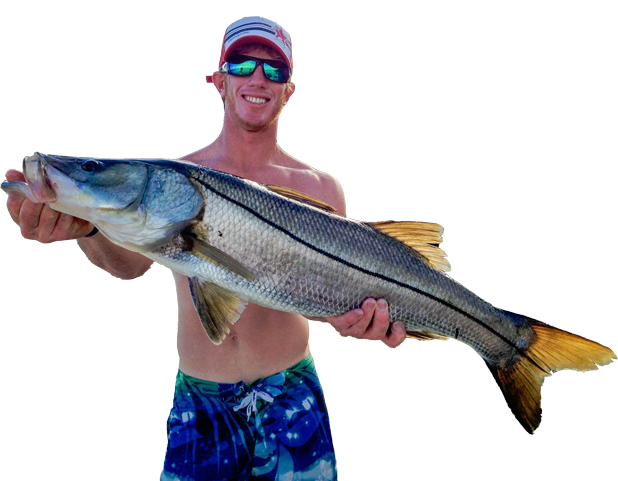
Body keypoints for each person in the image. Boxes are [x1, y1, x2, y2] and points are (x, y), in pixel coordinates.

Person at [5, 16, 407, 480]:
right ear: (219, 80)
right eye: (242, 64)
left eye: (274, 70)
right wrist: (87, 230)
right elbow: (128, 267)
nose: (258, 78)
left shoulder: (322, 189)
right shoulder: (173, 179)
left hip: (293, 393)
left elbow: (319, 299)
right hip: (201, 400)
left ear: (288, 91)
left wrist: (358, 322)